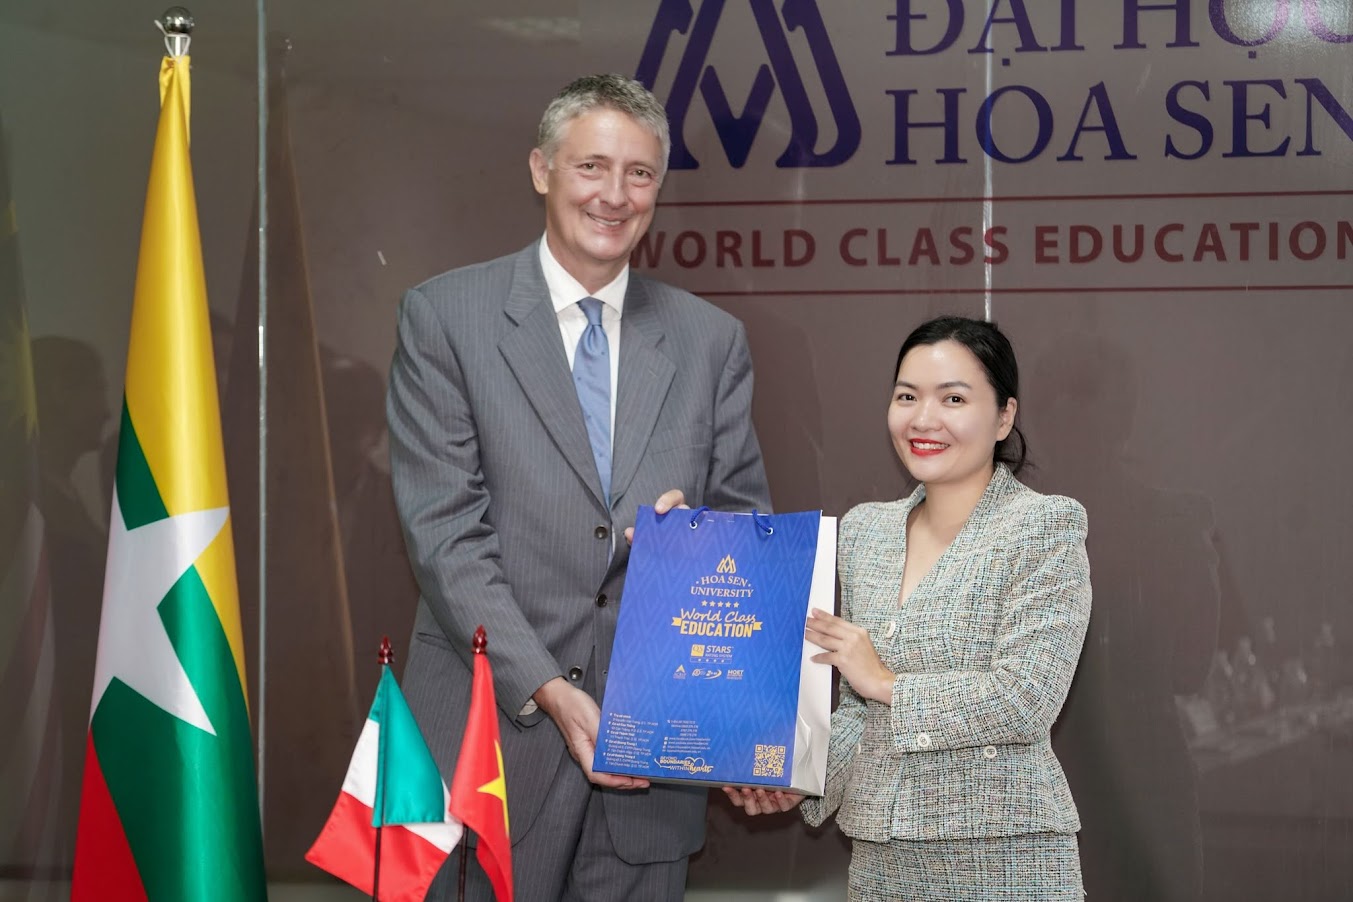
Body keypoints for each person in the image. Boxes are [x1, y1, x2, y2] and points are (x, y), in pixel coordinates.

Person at [386, 73, 770, 901]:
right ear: (541, 169)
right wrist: (554, 694)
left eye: (639, 174)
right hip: (486, 757)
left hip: (653, 769)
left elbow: (745, 533)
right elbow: (445, 536)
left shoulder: (710, 341)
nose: (614, 195)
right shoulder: (445, 317)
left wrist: (696, 540)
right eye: (591, 166)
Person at [727, 315, 1091, 901]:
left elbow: (1026, 700)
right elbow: (858, 712)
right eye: (907, 396)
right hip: (881, 862)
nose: (923, 419)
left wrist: (886, 682)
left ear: (1004, 417)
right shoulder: (865, 532)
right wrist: (801, 776)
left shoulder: (1043, 526)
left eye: (953, 398)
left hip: (1003, 858)